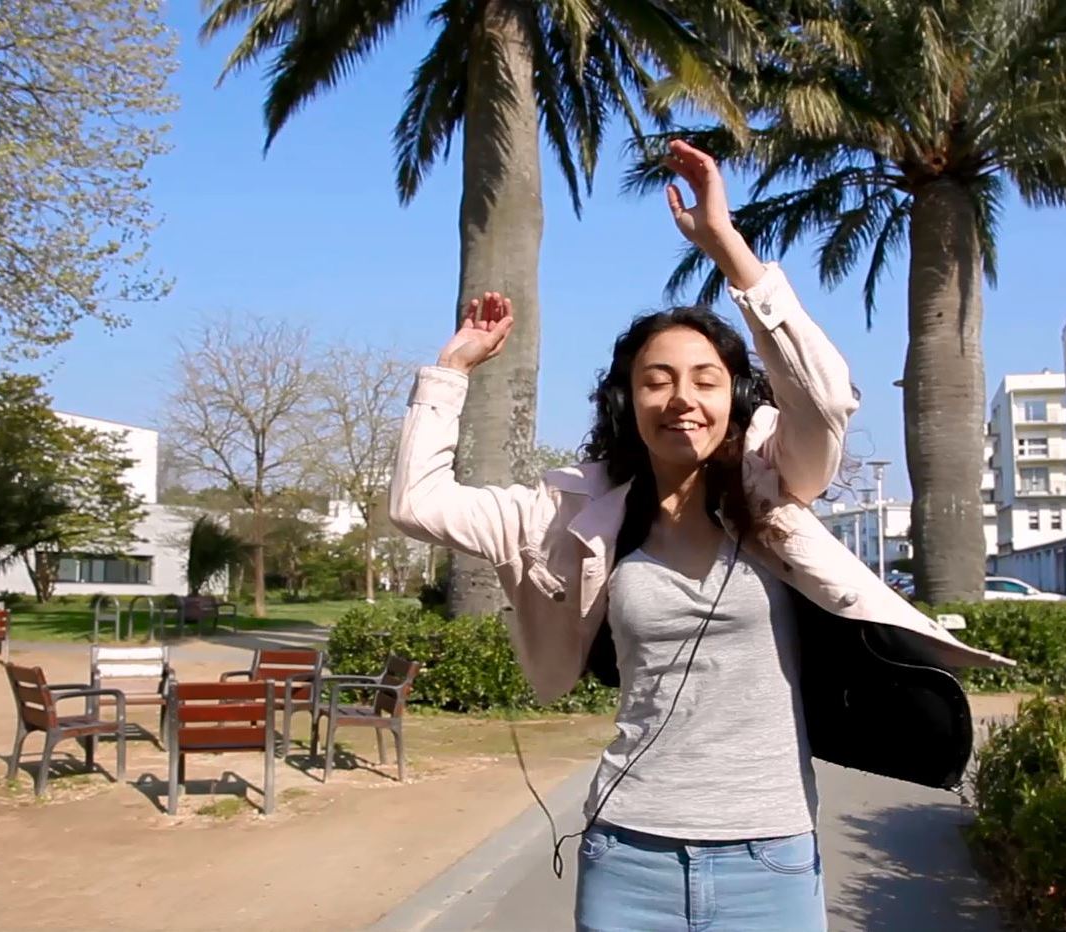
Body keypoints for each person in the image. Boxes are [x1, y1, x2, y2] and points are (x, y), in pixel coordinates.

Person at [388, 139, 1003, 932]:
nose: (683, 398)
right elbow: (417, 501)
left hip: (769, 855)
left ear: (734, 395)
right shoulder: (568, 514)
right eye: (657, 379)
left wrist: (726, 245)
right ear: (626, 399)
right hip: (628, 852)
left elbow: (824, 398)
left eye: (705, 379)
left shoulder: (775, 483)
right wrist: (453, 369)